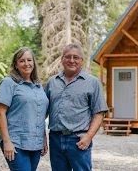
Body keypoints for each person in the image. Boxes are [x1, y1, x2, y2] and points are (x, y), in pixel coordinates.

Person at [45, 43, 108, 171]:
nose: (72, 60)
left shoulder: (92, 82)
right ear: (62, 59)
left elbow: (99, 113)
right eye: (68, 57)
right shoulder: (52, 82)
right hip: (55, 139)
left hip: (79, 140)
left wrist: (89, 136)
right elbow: (42, 112)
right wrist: (41, 138)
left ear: (82, 61)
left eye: (76, 57)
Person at [0, 47, 49, 171]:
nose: (26, 64)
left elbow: (39, 115)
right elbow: (0, 113)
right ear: (16, 64)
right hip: (16, 142)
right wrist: (6, 142)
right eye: (22, 61)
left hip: (35, 143)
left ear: (34, 63)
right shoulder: (8, 83)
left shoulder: (38, 86)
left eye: (29, 60)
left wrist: (44, 139)